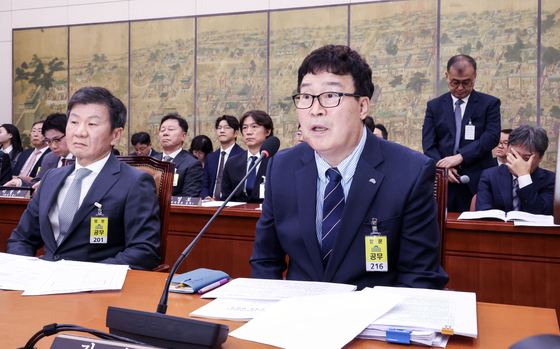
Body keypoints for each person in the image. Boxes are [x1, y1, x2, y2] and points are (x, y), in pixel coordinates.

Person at [250, 45, 448, 290]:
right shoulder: (281, 167)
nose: (315, 109)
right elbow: (265, 261)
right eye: (306, 97)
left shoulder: (410, 172)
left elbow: (419, 277)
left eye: (331, 96)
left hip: (372, 320)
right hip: (299, 318)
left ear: (363, 107)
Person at [6, 86, 161, 270]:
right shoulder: (51, 178)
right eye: (74, 122)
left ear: (116, 135)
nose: (79, 132)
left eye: (92, 124)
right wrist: (21, 272)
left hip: (96, 290)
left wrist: (82, 277)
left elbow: (143, 252)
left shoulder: (135, 182)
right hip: (42, 284)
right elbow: (21, 239)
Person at [422, 54, 501, 212]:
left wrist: (460, 157)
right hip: (445, 182)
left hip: (478, 181)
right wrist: (444, 167)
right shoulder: (434, 106)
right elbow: (428, 144)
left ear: (475, 77)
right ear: (447, 76)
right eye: (455, 82)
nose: (460, 88)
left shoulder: (489, 104)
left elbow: (491, 137)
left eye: (466, 83)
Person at [476, 125, 555, 215]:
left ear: (541, 157)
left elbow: (541, 213)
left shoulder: (551, 180)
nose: (518, 162)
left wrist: (524, 177)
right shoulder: (490, 176)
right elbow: (482, 212)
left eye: (526, 158)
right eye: (514, 155)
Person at [4, 113, 74, 189]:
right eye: (49, 141)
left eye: (57, 140)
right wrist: (20, 182)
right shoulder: (49, 158)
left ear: (70, 134)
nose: (53, 146)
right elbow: (37, 183)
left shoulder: (82, 158)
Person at [220, 110, 274, 203]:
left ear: (268, 131)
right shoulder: (232, 163)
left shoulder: (276, 162)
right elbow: (225, 198)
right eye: (245, 128)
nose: (248, 132)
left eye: (254, 127)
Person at [154, 112, 203, 197]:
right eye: (162, 130)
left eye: (171, 129)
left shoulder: (192, 164)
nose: (165, 133)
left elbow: (188, 198)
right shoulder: (152, 161)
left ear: (183, 136)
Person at [201, 115, 244, 200]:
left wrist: (220, 200)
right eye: (219, 128)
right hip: (209, 204)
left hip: (230, 205)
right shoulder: (211, 157)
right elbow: (205, 184)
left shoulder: (242, 156)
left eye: (227, 128)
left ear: (236, 133)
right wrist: (206, 197)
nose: (222, 131)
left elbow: (239, 188)